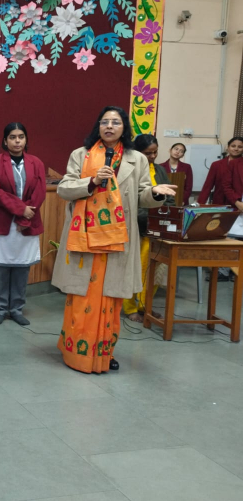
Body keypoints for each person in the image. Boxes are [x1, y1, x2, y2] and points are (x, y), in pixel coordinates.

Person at [52, 107, 176, 373]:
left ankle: (104, 353)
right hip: (85, 239)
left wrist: (155, 192)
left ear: (124, 128)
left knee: (110, 300)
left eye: (115, 122)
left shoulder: (136, 159)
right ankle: (76, 352)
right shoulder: (81, 155)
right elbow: (64, 188)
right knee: (83, 297)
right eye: (105, 122)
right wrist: (92, 181)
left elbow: (142, 195)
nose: (109, 126)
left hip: (118, 240)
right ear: (98, 126)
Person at [0, 123, 46, 326]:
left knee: (21, 268)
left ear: (26, 140)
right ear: (5, 140)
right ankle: (0, 309)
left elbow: (40, 192)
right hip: (1, 221)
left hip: (26, 223)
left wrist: (25, 218)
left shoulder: (36, 163)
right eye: (12, 137)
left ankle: (16, 309)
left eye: (21, 137)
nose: (17, 141)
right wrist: (20, 209)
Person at [124, 134, 175, 323]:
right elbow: (131, 200)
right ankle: (130, 307)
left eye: (155, 152)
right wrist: (147, 216)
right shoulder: (130, 170)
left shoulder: (160, 170)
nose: (152, 156)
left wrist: (166, 214)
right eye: (148, 153)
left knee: (155, 271)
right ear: (137, 152)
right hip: (137, 228)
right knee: (134, 269)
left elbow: (170, 198)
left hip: (157, 229)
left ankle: (146, 306)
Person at [197, 137, 243, 205]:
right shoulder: (216, 165)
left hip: (239, 203)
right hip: (219, 202)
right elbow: (208, 186)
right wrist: (199, 204)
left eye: (240, 147)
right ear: (228, 147)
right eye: (233, 146)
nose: (236, 149)